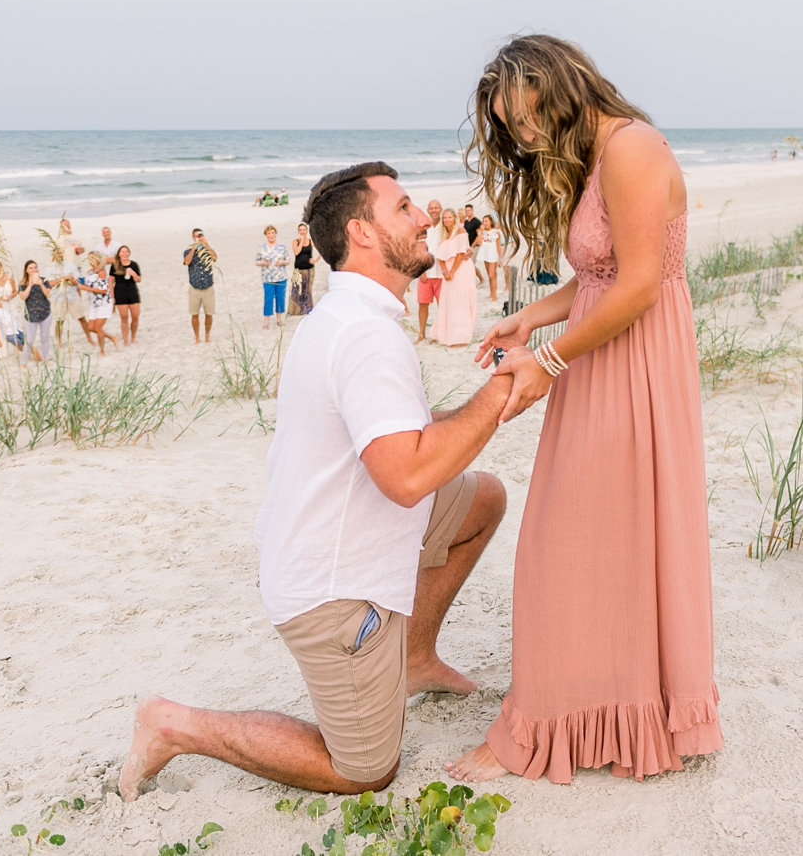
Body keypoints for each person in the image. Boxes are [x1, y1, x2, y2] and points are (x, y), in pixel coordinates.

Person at [118, 161, 511, 799]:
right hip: (331, 590)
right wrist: (501, 394)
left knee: (481, 499)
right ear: (361, 232)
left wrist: (484, 400)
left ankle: (413, 657)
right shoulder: (363, 336)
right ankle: (172, 724)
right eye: (405, 208)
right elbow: (406, 476)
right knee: (365, 770)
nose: (423, 219)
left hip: (329, 532)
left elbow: (396, 433)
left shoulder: (344, 316)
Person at [447, 35, 723, 785]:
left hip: (630, 363)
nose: (524, 139)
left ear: (556, 89)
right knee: (590, 540)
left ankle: (555, 724)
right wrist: (532, 318)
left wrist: (550, 361)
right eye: (511, 128)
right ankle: (596, 709)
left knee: (560, 540)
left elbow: (639, 286)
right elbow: (601, 276)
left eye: (525, 120)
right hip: (598, 354)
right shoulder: (601, 155)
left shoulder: (632, 148)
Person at [429, 208, 475, 347]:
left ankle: (460, 337)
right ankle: (445, 333)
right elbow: (440, 257)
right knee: (448, 301)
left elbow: (461, 254)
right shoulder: (444, 235)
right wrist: (445, 272)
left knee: (460, 300)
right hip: (448, 272)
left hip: (461, 270)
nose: (447, 220)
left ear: (455, 218)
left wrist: (453, 272)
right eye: (445, 218)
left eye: (450, 217)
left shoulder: (461, 232)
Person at [46, 244, 92, 346]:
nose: (60, 255)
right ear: (53, 254)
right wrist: (64, 279)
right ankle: (58, 342)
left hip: (72, 296)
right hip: (59, 297)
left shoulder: (70, 265)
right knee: (59, 321)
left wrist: (67, 280)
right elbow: (50, 283)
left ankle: (89, 338)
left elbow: (77, 281)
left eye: (61, 252)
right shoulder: (50, 268)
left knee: (82, 318)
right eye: (57, 253)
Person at [413, 199, 443, 343]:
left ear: (441, 209)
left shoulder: (446, 226)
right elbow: (416, 248)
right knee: (422, 304)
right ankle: (421, 333)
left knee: (442, 305)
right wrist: (420, 270)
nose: (434, 210)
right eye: (431, 208)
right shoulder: (423, 227)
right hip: (425, 273)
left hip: (442, 274)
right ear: (428, 210)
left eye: (436, 207)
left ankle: (438, 334)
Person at [77, 252, 118, 355]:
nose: (89, 260)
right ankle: (112, 337)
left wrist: (85, 288)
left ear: (97, 260)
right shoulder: (90, 272)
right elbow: (90, 284)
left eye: (92, 258)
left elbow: (103, 290)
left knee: (98, 328)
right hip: (94, 303)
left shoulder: (101, 272)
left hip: (103, 303)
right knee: (91, 328)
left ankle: (102, 351)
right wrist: (82, 284)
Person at [183, 229, 217, 344]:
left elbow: (215, 258)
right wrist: (194, 248)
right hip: (194, 288)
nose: (199, 238)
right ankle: (197, 337)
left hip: (208, 288)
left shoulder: (207, 250)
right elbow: (187, 262)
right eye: (196, 236)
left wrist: (206, 245)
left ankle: (207, 335)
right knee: (194, 315)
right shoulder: (188, 251)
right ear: (193, 238)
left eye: (200, 235)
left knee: (209, 314)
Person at [17, 260, 54, 363]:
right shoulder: (23, 283)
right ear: (26, 270)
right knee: (29, 339)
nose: (34, 269)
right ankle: (23, 362)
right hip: (30, 315)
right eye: (31, 268)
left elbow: (48, 294)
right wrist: (30, 285)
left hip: (45, 312)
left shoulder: (44, 280)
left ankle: (46, 359)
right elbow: (23, 297)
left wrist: (41, 284)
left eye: (35, 267)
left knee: (45, 337)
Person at [256, 224, 289, 329]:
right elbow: (257, 262)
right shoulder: (261, 248)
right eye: (269, 233)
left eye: (273, 233)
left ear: (276, 234)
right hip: (268, 278)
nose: (271, 235)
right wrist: (264, 263)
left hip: (281, 277)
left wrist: (282, 262)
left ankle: (279, 320)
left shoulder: (282, 247)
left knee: (280, 299)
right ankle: (266, 323)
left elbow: (288, 260)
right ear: (266, 235)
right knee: (268, 299)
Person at [111, 245, 142, 346]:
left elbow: (139, 279)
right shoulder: (115, 265)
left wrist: (133, 274)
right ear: (119, 254)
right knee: (124, 318)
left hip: (132, 292)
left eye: (126, 251)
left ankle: (133, 337)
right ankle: (125, 340)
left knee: (135, 317)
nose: (125, 254)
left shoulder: (134, 265)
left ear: (129, 253)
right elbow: (110, 282)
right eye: (122, 252)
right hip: (120, 293)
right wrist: (112, 297)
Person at [290, 221, 316, 316]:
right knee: (297, 289)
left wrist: (315, 260)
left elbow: (319, 250)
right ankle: (296, 310)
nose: (302, 231)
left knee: (308, 289)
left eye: (304, 230)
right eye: (300, 230)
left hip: (309, 269)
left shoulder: (310, 241)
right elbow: (296, 252)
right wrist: (301, 242)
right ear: (298, 231)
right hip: (298, 269)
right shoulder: (295, 241)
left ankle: (308, 308)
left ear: (306, 230)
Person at [478, 215, 502, 303]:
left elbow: (499, 246)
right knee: (490, 276)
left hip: (493, 256)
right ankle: (492, 294)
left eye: (486, 221)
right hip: (485, 255)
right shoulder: (482, 232)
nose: (485, 223)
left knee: (492, 275)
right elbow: (479, 242)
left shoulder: (496, 232)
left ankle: (494, 295)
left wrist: (500, 258)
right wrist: (481, 231)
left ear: (491, 222)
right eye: (483, 221)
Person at [462, 203, 484, 285]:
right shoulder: (466, 222)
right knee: (467, 264)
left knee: (471, 264)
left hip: (474, 246)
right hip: (467, 246)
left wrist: (472, 246)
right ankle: (470, 280)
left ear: (472, 211)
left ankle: (481, 279)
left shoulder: (477, 222)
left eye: (469, 210)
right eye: (466, 210)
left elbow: (480, 235)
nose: (467, 212)